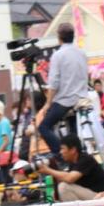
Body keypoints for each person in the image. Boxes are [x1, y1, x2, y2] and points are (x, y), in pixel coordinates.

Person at [37, 22, 88, 157]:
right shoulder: (82, 53)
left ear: (59, 37)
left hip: (66, 100)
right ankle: (77, 154)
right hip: (82, 98)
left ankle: (61, 154)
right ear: (73, 36)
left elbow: (53, 83)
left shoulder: (58, 55)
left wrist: (47, 104)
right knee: (72, 132)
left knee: (43, 127)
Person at [38, 134, 104, 201]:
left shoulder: (85, 159)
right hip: (91, 196)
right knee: (54, 195)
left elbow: (69, 178)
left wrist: (48, 170)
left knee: (64, 187)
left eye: (63, 149)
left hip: (101, 197)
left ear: (73, 150)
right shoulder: (72, 163)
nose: (60, 152)